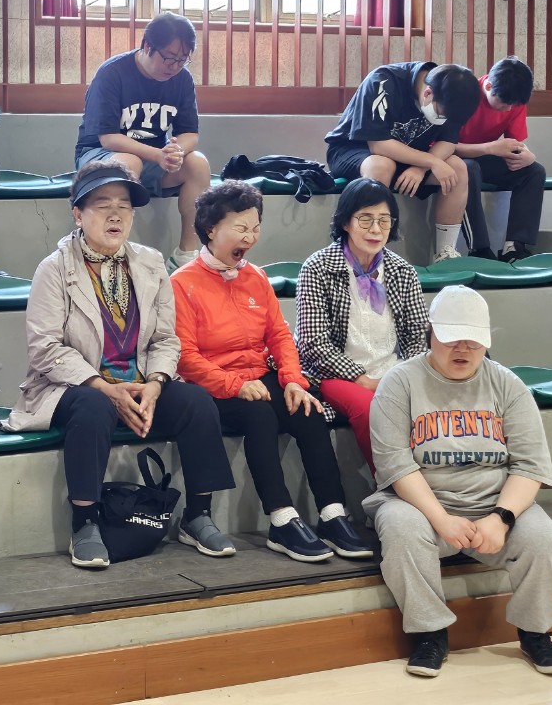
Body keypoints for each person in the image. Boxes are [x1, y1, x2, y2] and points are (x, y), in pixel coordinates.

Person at [7, 160, 237, 567]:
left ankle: (197, 515)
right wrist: (103, 386)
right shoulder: (54, 268)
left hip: (141, 383)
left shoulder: (150, 263)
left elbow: (166, 339)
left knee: (197, 402)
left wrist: (156, 384)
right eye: (102, 205)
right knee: (93, 406)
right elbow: (45, 348)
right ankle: (85, 522)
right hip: (74, 387)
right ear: (78, 214)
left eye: (124, 207)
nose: (115, 215)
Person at [365, 285, 552, 678]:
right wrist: (441, 519)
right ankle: (430, 635)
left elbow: (530, 466)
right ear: (430, 334)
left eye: (473, 341)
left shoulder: (507, 384)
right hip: (420, 503)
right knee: (402, 530)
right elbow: (396, 466)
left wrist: (502, 518)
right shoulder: (399, 382)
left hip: (494, 502)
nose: (462, 349)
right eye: (450, 338)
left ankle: (535, 633)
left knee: (544, 540)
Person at [170, 180, 371, 563]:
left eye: (255, 228)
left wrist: (293, 381)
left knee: (308, 409)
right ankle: (282, 519)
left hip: (259, 376)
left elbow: (279, 336)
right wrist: (235, 385)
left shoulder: (256, 277)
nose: (250, 237)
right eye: (240, 228)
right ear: (211, 229)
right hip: (214, 386)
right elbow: (186, 357)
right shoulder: (182, 283)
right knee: (259, 415)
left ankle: (333, 514)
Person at [295, 178, 429, 472]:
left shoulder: (402, 270)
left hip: (393, 372)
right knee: (371, 410)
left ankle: (438, 484)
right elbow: (313, 343)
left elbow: (417, 335)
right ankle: (394, 486)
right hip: (335, 375)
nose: (376, 229)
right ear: (345, 222)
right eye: (365, 219)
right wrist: (361, 379)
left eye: (384, 220)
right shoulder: (317, 267)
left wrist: (403, 376)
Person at [74, 12, 211, 273]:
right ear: (148, 46)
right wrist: (157, 155)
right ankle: (111, 251)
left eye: (182, 59)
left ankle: (186, 254)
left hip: (153, 159)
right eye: (169, 58)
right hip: (100, 155)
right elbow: (108, 138)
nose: (174, 66)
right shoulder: (112, 73)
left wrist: (175, 151)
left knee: (198, 163)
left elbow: (190, 133)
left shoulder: (182, 79)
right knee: (129, 162)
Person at [325, 61, 481, 264]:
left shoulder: (453, 97)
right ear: (428, 93)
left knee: (458, 168)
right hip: (354, 149)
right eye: (441, 115)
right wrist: (431, 162)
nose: (443, 120)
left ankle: (445, 253)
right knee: (382, 166)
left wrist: (421, 167)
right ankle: (367, 253)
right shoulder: (383, 81)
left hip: (410, 156)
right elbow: (378, 145)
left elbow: (448, 142)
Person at [455, 57, 546, 263]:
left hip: (485, 157)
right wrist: (489, 148)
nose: (509, 109)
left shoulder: (514, 100)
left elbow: (516, 144)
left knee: (534, 171)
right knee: (469, 169)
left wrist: (528, 156)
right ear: (488, 86)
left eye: (513, 105)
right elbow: (443, 146)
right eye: (505, 103)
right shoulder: (462, 95)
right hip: (452, 158)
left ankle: (514, 247)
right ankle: (479, 248)